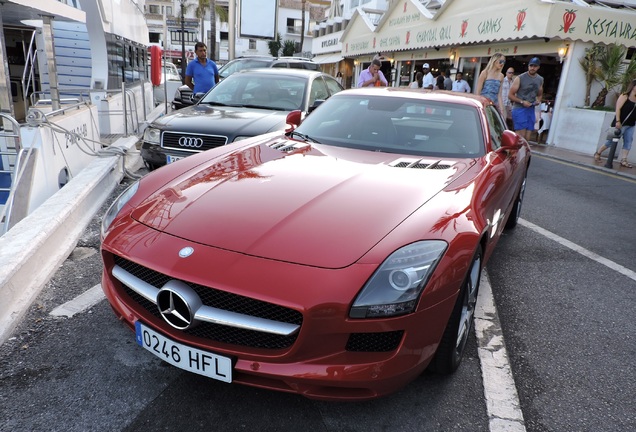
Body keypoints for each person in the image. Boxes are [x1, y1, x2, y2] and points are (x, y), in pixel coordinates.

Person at [594, 79, 636, 168]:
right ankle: (598, 153)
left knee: (628, 141)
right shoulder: (624, 96)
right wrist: (618, 121)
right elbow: (618, 109)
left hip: (631, 124)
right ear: (633, 86)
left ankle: (624, 160)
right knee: (610, 141)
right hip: (619, 123)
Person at [508, 57, 544, 141]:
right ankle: (514, 153)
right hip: (519, 108)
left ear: (538, 67)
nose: (532, 68)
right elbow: (510, 95)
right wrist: (522, 101)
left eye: (535, 66)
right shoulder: (520, 78)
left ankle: (522, 153)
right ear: (528, 66)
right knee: (520, 136)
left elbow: (540, 94)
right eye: (531, 65)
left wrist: (538, 100)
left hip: (531, 109)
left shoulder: (540, 79)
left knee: (527, 138)